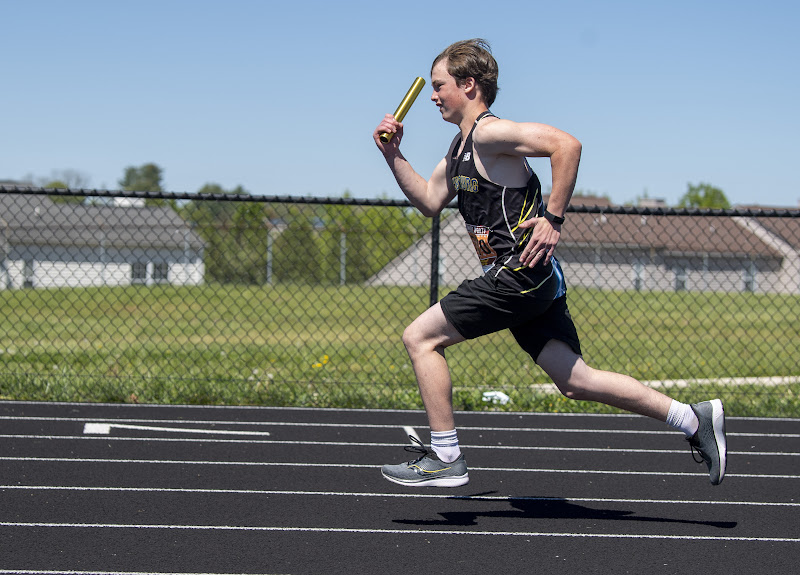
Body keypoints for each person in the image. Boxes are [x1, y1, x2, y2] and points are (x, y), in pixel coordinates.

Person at [372, 39, 727, 487]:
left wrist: (552, 218)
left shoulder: (488, 133)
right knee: (575, 379)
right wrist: (393, 156)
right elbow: (427, 200)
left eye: (440, 85)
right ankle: (693, 420)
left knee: (419, 338)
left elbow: (567, 145)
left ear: (468, 84)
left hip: (518, 272)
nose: (433, 95)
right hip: (526, 278)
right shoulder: (458, 148)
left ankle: (446, 455)